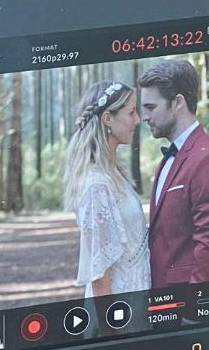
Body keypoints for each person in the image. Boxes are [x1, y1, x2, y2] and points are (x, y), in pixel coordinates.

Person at [138, 59, 209, 288]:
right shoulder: (165, 162)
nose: (145, 117)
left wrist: (195, 303)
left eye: (151, 107)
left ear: (178, 103)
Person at [63, 80, 150, 302]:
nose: (138, 120)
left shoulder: (114, 174)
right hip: (119, 307)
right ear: (108, 119)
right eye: (131, 112)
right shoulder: (97, 185)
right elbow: (100, 275)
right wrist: (110, 322)